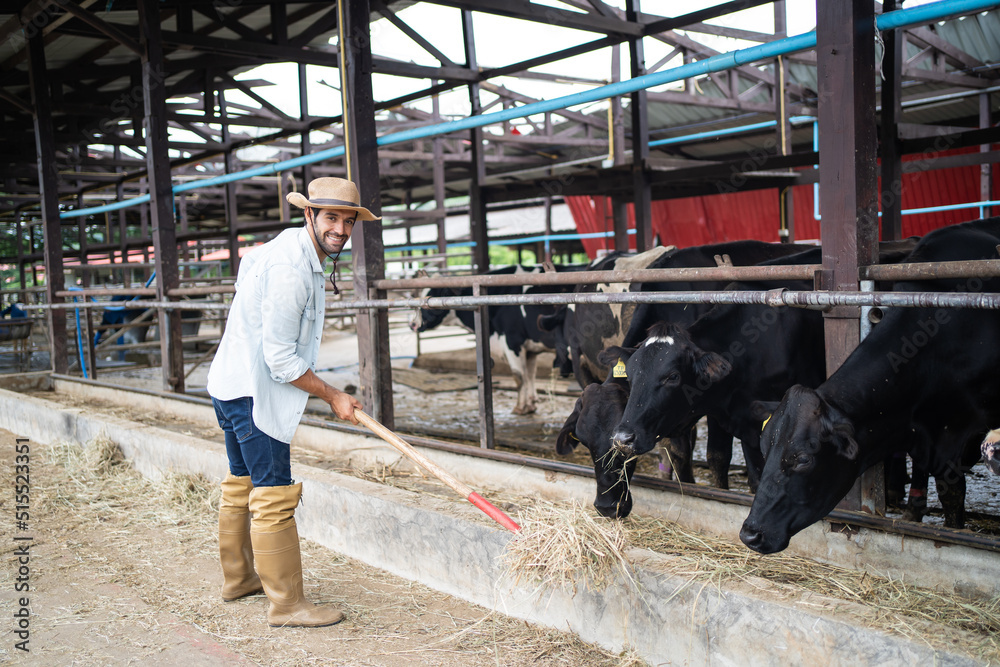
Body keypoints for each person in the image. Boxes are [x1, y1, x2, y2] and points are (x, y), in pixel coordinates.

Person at [207, 177, 377, 628]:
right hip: (254, 394)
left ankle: (239, 578)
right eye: (330, 218)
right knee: (273, 495)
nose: (339, 229)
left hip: (228, 383)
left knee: (240, 483)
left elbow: (247, 268)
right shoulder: (291, 268)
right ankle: (286, 605)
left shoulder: (279, 248)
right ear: (309, 215)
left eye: (347, 220)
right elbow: (280, 358)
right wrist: (334, 395)